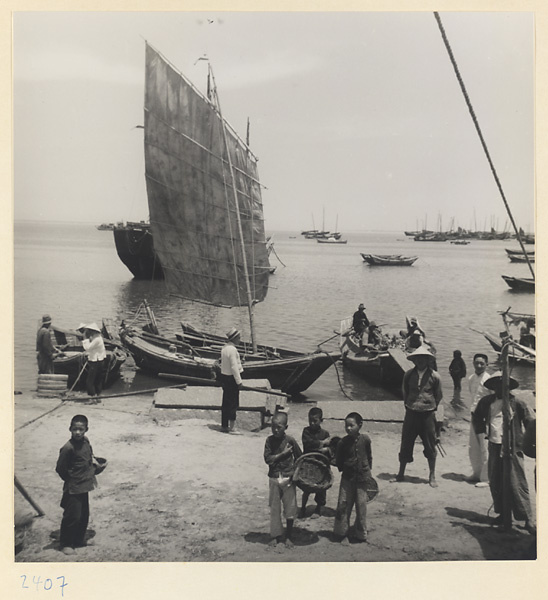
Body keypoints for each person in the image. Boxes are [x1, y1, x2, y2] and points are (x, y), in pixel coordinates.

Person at [472, 372, 536, 534]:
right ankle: (503, 513)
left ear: (509, 386)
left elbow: (531, 422)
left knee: (517, 481)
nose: (500, 388)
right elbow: (477, 417)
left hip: (514, 447)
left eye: (504, 385)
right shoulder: (486, 401)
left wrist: (532, 443)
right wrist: (481, 433)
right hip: (494, 444)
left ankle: (527, 518)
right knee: (496, 480)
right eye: (496, 385)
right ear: (492, 387)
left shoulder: (518, 403)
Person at [392, 346, 443, 488]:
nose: (420, 361)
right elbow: (405, 392)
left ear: (428, 360)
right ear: (414, 360)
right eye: (418, 358)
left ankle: (432, 475)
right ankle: (401, 473)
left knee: (430, 445)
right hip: (411, 413)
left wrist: (430, 408)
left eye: (423, 358)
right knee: (406, 442)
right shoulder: (408, 374)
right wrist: (410, 405)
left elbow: (438, 396)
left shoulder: (435, 376)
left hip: (427, 415)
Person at [55, 414, 99, 554]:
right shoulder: (68, 448)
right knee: (72, 516)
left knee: (84, 514)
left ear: (86, 429)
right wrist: (71, 480)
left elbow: (88, 457)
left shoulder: (85, 442)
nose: (78, 432)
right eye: (75, 429)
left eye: (81, 429)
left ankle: (79, 539)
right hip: (73, 487)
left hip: (85, 485)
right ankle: (66, 543)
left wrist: (94, 467)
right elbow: (60, 468)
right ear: (70, 429)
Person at [264, 411, 302, 548]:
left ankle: (289, 535)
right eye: (273, 426)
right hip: (274, 477)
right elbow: (268, 459)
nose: (275, 430)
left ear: (286, 427)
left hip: (288, 478)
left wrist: (296, 473)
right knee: (274, 508)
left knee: (290, 508)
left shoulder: (290, 440)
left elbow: (300, 457)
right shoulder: (269, 441)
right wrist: (283, 454)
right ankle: (276, 535)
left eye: (279, 427)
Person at [333, 412, 372, 544]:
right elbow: (339, 460)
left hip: (362, 479)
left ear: (360, 425)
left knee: (361, 507)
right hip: (347, 479)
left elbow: (369, 456)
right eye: (346, 425)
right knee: (343, 505)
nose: (348, 428)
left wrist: (367, 473)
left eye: (351, 425)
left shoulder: (365, 440)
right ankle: (342, 533)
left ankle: (360, 533)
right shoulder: (342, 443)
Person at [299, 407, 331, 519]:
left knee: (321, 488)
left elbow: (329, 449)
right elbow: (308, 444)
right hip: (309, 464)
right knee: (306, 487)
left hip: (321, 464)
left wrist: (326, 450)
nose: (312, 423)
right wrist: (322, 444)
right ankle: (303, 507)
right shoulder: (306, 431)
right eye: (310, 420)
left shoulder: (325, 433)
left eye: (315, 421)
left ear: (321, 420)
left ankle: (318, 507)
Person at [466, 353, 490, 487]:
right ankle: (476, 472)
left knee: (484, 447)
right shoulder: (471, 378)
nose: (479, 365)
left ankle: (486, 478)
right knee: (473, 445)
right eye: (477, 363)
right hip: (474, 414)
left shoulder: (489, 380)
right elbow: (472, 395)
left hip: (485, 417)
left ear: (487, 365)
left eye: (482, 363)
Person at [220, 327, 244, 433]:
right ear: (234, 339)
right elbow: (234, 367)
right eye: (238, 338)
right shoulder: (233, 350)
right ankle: (232, 427)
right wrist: (239, 382)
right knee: (234, 403)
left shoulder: (224, 348)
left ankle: (224, 425)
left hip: (225, 377)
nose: (240, 340)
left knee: (226, 402)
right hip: (232, 379)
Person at [82, 323, 106, 397]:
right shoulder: (98, 338)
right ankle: (98, 395)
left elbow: (87, 348)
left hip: (95, 361)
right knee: (98, 379)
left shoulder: (97, 340)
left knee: (90, 380)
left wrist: (85, 339)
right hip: (100, 360)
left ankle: (92, 396)